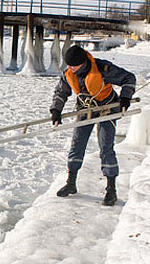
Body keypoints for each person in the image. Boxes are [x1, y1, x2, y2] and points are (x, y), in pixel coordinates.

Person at [50, 45, 136, 206]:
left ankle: (111, 189)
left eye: (74, 65)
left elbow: (129, 78)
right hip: (85, 107)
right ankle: (71, 183)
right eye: (69, 65)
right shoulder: (68, 73)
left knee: (106, 147)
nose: (71, 68)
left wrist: (125, 98)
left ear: (83, 63)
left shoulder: (103, 68)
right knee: (77, 144)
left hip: (107, 107)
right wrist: (56, 110)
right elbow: (61, 92)